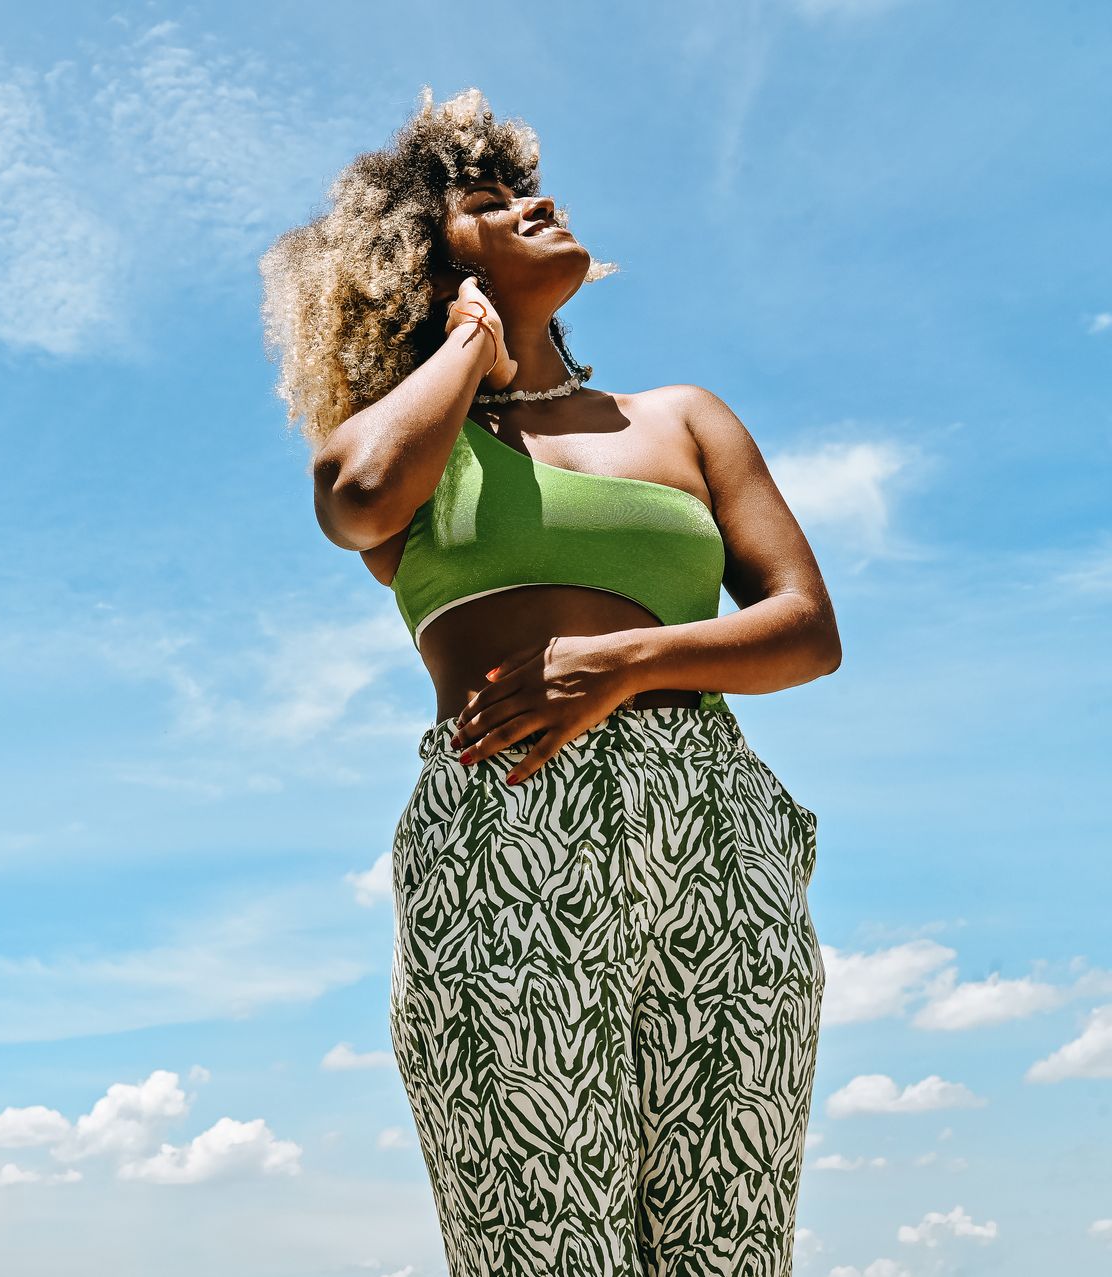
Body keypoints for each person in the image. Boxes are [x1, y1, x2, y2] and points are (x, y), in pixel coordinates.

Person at [259, 88, 837, 1276]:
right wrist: (472, 344)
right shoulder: (416, 446)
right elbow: (354, 499)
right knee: (540, 1237)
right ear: (421, 264)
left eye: (529, 189)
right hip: (507, 824)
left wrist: (629, 660)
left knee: (728, 1238)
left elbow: (805, 629)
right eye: (488, 206)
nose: (540, 206)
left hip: (714, 833)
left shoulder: (681, 417)